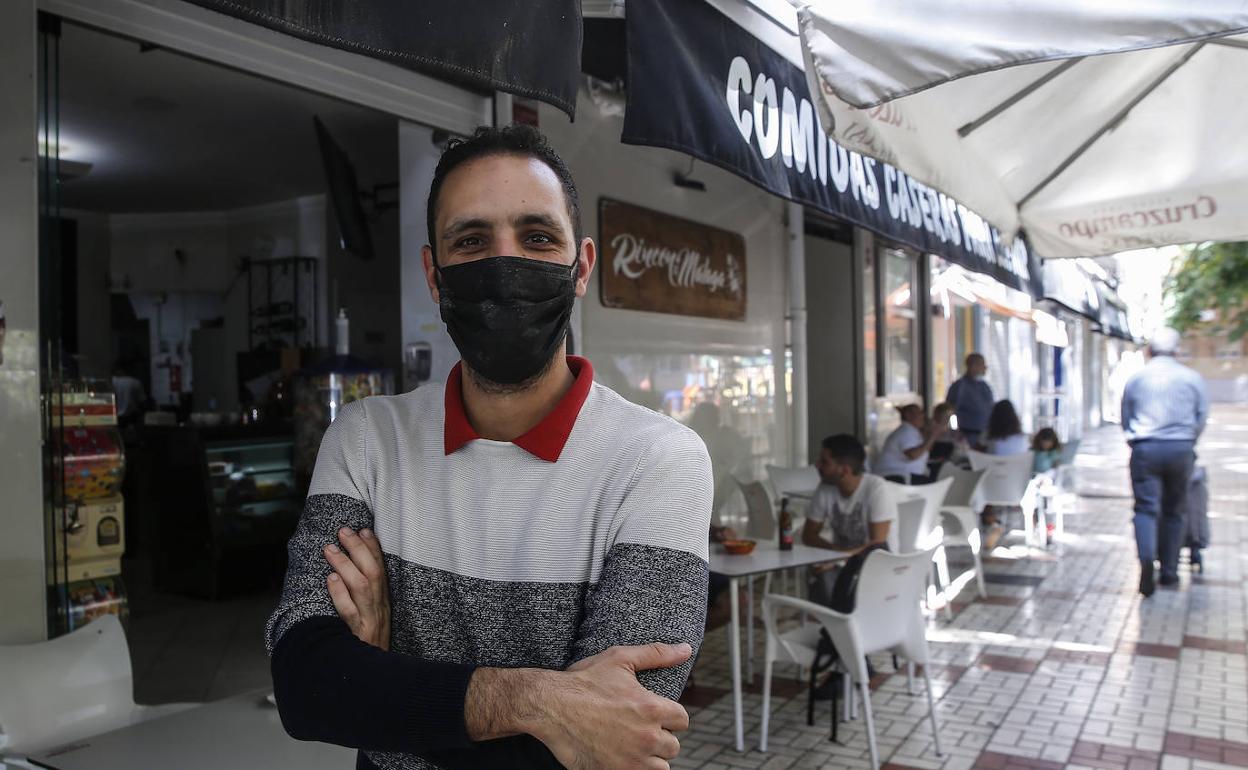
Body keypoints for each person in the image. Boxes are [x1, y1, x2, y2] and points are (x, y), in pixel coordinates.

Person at [266, 125, 714, 770]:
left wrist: (386, 676)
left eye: (537, 237)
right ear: (434, 274)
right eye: (472, 241)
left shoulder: (661, 460)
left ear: (581, 266)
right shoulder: (365, 439)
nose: (505, 266)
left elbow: (614, 738)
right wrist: (537, 700)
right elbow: (305, 686)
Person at [1122, 327, 1208, 596]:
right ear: (1177, 350)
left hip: (1145, 447)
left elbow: (1125, 417)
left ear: (1149, 350)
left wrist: (1137, 442)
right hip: (1181, 448)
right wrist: (1187, 441)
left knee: (1146, 509)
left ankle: (1147, 558)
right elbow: (1201, 417)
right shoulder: (1192, 379)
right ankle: (1169, 571)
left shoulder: (1137, 379)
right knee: (1175, 511)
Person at [803, 434, 899, 606]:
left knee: (828, 579)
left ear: (844, 470)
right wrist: (835, 554)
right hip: (845, 563)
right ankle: (835, 627)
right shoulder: (825, 488)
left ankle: (843, 626)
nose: (817, 465)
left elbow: (877, 544)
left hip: (877, 564)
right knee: (822, 576)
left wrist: (837, 558)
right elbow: (808, 535)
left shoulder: (876, 488)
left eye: (824, 462)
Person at [873, 403, 949, 484]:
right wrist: (932, 436)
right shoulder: (905, 431)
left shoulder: (912, 431)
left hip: (903, 476)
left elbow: (925, 449)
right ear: (908, 416)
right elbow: (913, 455)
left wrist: (931, 433)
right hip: (895, 477)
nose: (922, 416)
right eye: (919, 413)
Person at [946, 353, 994, 446]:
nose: (985, 367)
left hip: (985, 436)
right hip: (967, 437)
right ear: (972, 366)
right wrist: (955, 430)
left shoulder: (985, 386)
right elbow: (950, 412)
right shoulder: (959, 387)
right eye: (982, 364)